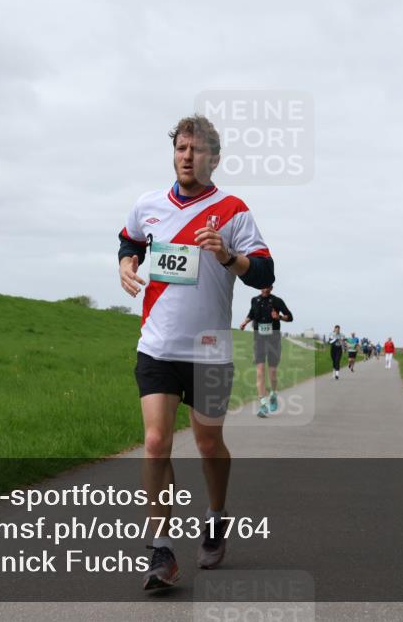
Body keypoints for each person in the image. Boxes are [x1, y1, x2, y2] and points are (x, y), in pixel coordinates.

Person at [118, 114, 275, 589]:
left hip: (209, 351)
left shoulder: (233, 210)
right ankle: (161, 551)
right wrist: (125, 264)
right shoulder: (148, 205)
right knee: (155, 442)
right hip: (158, 346)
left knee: (208, 444)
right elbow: (129, 240)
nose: (188, 157)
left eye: (197, 150)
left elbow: (264, 274)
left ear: (215, 158)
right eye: (182, 149)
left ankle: (216, 514)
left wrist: (228, 256)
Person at [239, 286, 293, 417]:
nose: (265, 289)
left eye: (268, 287)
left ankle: (273, 394)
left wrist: (279, 317)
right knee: (260, 372)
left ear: (272, 288)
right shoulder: (255, 300)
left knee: (272, 372)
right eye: (263, 287)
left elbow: (290, 317)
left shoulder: (277, 301)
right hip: (259, 340)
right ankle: (263, 405)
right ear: (260, 287)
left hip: (273, 339)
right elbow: (252, 313)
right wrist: (244, 322)